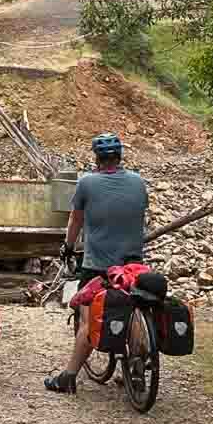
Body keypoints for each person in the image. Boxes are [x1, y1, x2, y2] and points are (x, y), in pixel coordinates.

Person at [44, 132, 148, 393]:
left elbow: (75, 220)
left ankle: (68, 377)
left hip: (98, 266)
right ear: (119, 157)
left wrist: (68, 247)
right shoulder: (138, 182)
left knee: (88, 319)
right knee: (134, 310)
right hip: (133, 265)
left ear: (97, 158)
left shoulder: (87, 183)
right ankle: (136, 370)